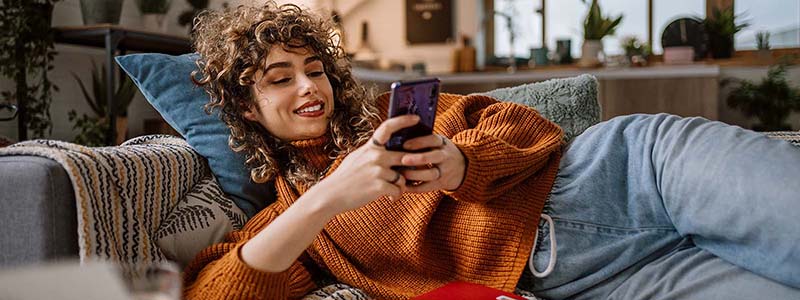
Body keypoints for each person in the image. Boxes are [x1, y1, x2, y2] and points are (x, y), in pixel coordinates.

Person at [183, 2, 800, 299]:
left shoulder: (392, 117)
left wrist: (461, 162)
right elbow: (218, 290)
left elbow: (528, 128)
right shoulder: (298, 225)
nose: (308, 86)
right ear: (245, 105)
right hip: (601, 280)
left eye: (313, 68)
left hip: (634, 169)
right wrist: (328, 197)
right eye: (280, 77)